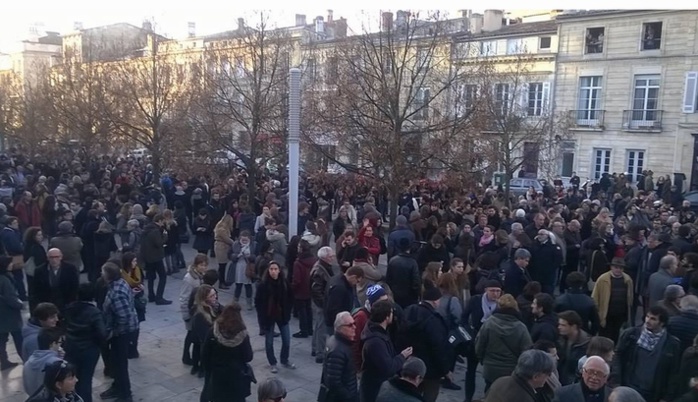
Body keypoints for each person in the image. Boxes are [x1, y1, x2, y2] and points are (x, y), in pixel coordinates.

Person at [613, 305, 681, 402]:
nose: (648, 321)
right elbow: (618, 355)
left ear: (662, 323)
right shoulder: (631, 335)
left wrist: (667, 397)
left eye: (653, 319)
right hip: (629, 386)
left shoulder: (671, 344)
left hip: (653, 393)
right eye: (647, 316)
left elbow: (673, 372)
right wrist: (616, 380)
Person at [403, 286, 451, 402]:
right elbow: (438, 347)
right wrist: (445, 370)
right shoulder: (434, 319)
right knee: (430, 395)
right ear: (435, 301)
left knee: (410, 394)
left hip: (410, 363)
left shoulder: (408, 311)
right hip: (431, 369)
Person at [476, 293, 532, 391]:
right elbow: (527, 351)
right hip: (511, 369)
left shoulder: (489, 323)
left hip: (490, 367)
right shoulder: (521, 327)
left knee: (489, 392)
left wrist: (482, 359)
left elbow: (479, 344)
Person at [99, 262, 138, 402]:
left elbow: (124, 316)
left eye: (103, 273)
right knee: (115, 362)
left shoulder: (117, 292)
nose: (101, 275)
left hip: (122, 333)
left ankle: (125, 394)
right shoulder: (119, 283)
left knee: (120, 363)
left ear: (108, 275)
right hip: (119, 331)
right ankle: (117, 386)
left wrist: (114, 332)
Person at [200, 302, 254, 402]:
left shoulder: (213, 332)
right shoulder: (243, 336)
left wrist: (209, 370)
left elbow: (205, 354)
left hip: (218, 377)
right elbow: (248, 357)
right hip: (236, 377)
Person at [360, 300, 413, 402]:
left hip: (375, 387)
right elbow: (388, 368)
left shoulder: (379, 333)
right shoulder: (376, 342)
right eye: (392, 312)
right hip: (375, 390)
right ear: (386, 317)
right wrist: (402, 356)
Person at [63, 283, 107, 402]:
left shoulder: (69, 308)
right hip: (89, 350)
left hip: (71, 347)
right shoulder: (94, 312)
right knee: (85, 380)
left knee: (71, 377)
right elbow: (102, 333)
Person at [255, 261, 296, 373]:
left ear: (279, 270)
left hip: (282, 315)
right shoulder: (263, 285)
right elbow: (258, 302)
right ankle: (272, 362)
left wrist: (288, 309)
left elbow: (291, 297)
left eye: (275, 269)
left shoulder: (284, 283)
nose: (273, 271)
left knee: (286, 340)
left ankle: (284, 359)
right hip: (269, 316)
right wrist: (262, 317)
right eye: (271, 269)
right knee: (269, 342)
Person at [484, 349, 556, 402]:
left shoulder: (501, 381)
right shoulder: (524, 398)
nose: (549, 377)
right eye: (548, 374)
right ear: (535, 377)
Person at [592, 257, 634, 342]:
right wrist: (597, 311)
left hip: (620, 312)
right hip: (606, 312)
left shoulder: (628, 279)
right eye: (616, 267)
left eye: (620, 268)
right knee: (604, 334)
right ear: (611, 267)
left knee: (616, 333)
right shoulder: (603, 279)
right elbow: (595, 296)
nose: (618, 270)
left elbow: (630, 297)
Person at [320, 311, 359, 402]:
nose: (354, 327)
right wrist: (348, 396)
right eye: (350, 325)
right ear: (340, 328)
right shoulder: (338, 350)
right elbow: (333, 381)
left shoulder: (341, 343)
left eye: (354, 323)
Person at [180, 253, 208, 367]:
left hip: (198, 312)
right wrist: (186, 315)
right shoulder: (189, 278)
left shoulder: (201, 275)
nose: (204, 267)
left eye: (205, 265)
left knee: (192, 334)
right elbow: (184, 298)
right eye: (201, 265)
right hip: (191, 312)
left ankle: (187, 356)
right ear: (196, 265)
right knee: (191, 334)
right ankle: (186, 356)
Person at [32, 248, 80, 313]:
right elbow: (35, 289)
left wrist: (71, 304)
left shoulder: (70, 269)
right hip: (47, 306)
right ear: (47, 258)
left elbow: (74, 287)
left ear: (61, 257)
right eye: (51, 257)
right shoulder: (39, 271)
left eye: (56, 257)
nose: (54, 260)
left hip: (65, 304)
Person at [311, 246, 335, 363]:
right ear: (325, 258)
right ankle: (319, 352)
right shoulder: (320, 271)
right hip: (321, 303)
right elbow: (316, 291)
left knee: (318, 326)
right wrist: (324, 304)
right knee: (321, 327)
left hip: (321, 302)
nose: (332, 258)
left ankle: (315, 348)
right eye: (330, 256)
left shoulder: (323, 267)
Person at [23, 327, 64, 395]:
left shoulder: (27, 363)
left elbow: (26, 388)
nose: (60, 345)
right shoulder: (57, 364)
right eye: (60, 342)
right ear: (53, 344)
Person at [324, 266, 364, 335]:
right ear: (353, 277)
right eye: (357, 281)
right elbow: (333, 309)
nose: (356, 283)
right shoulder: (340, 288)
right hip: (337, 322)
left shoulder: (337, 280)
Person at [141, 214, 171, 305]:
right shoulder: (155, 231)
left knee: (150, 277)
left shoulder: (146, 229)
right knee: (163, 276)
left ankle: (151, 295)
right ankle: (159, 297)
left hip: (147, 256)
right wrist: (165, 236)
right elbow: (159, 243)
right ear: (160, 221)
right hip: (156, 257)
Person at [191, 284, 220, 377]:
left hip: (208, 338)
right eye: (212, 296)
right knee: (201, 352)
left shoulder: (214, 305)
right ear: (204, 298)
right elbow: (204, 335)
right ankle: (201, 369)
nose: (215, 297)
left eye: (215, 294)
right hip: (203, 339)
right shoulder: (200, 314)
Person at [120, 252, 145, 357]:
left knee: (137, 326)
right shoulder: (122, 275)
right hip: (128, 304)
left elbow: (141, 282)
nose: (136, 263)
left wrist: (141, 288)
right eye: (133, 261)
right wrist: (131, 293)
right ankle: (128, 348)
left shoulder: (138, 271)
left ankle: (134, 347)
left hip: (138, 303)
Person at [0, 255, 23, 370]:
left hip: (1, 315)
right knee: (19, 338)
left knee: (2, 340)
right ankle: (25, 358)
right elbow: (11, 298)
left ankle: (4, 361)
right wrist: (20, 305)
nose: (12, 264)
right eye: (9, 263)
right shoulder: (5, 279)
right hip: (10, 314)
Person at [557, 310, 591, 385]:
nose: (559, 327)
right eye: (559, 324)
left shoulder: (586, 344)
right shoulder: (561, 339)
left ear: (574, 326)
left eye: (563, 325)